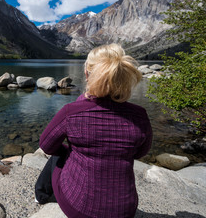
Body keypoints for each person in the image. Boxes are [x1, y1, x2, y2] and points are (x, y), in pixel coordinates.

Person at [35, 43, 153, 218]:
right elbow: (140, 152)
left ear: (87, 74)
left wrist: (70, 150)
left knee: (57, 154)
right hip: (125, 211)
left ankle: (41, 196)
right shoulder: (140, 115)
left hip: (81, 209)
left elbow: (46, 145)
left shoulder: (71, 112)